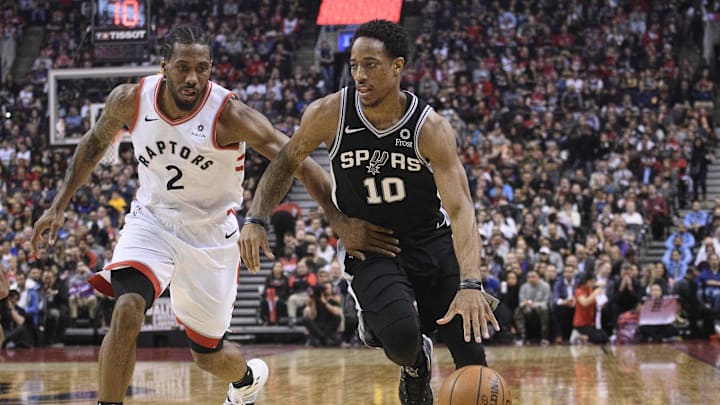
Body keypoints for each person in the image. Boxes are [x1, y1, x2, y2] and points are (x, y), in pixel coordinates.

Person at [30, 24, 394, 405]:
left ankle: (246, 379)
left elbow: (298, 160)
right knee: (126, 309)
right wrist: (58, 205)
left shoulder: (229, 115)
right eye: (183, 67)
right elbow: (92, 144)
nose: (193, 78)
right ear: (164, 66)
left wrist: (338, 220)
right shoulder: (130, 99)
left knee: (208, 355)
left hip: (211, 236)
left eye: (202, 68)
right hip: (152, 220)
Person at [239, 20, 499, 405]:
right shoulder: (329, 113)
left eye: (371, 65)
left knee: (473, 361)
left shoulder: (431, 129)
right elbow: (287, 162)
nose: (360, 75)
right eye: (354, 65)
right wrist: (259, 218)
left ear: (398, 66)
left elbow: (461, 209)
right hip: (372, 247)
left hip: (430, 241)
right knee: (401, 339)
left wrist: (471, 284)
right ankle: (415, 365)